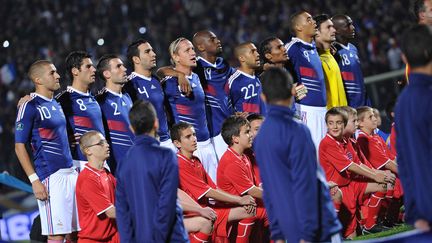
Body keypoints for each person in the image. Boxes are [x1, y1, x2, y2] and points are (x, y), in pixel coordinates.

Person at [254, 67, 342, 242]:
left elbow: (269, 190)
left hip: (291, 230)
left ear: (263, 97)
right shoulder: (297, 130)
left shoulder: (260, 138)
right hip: (316, 228)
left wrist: (278, 232)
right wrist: (308, 233)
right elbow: (306, 182)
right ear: (293, 90)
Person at [15, 60, 79, 242]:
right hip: (51, 177)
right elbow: (19, 146)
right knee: (56, 235)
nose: (58, 76)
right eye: (52, 73)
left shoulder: (56, 104)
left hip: (71, 173)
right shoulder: (29, 105)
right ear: (38, 79)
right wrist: (35, 181)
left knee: (74, 233)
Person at [115, 100, 188, 242]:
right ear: (156, 123)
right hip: (170, 237)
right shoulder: (166, 156)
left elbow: (122, 212)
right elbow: (167, 203)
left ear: (131, 128)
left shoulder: (123, 163)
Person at [171, 121, 257, 242]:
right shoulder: (179, 163)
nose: (194, 139)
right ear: (177, 143)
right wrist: (239, 199)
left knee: (249, 210)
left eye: (194, 135)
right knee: (209, 222)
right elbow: (207, 192)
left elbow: (214, 188)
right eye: (188, 137)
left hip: (206, 207)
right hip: (191, 213)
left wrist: (237, 201)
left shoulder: (195, 160)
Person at [319, 108, 391, 237]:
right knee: (350, 235)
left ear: (343, 123)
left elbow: (359, 164)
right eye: (331, 123)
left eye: (339, 123)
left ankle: (370, 224)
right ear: (327, 124)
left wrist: (378, 175)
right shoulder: (327, 143)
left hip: (351, 185)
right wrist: (375, 175)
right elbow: (350, 166)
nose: (335, 126)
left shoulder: (346, 141)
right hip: (339, 189)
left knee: (383, 184)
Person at [163, 37, 219, 182]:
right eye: (187, 50)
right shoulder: (169, 82)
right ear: (175, 57)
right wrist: (179, 74)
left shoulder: (196, 77)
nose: (192, 53)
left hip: (207, 144)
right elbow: (159, 72)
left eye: (192, 49)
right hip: (189, 148)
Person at [396, 24, 432, 232]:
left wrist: (415, 211)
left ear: (404, 58)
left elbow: (404, 161)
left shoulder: (403, 102)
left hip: (423, 210)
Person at [218, 115, 269, 242]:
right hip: (236, 209)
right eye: (246, 132)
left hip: (248, 205)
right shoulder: (231, 162)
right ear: (235, 138)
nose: (251, 135)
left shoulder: (243, 156)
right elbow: (252, 191)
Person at [285, 11, 328, 149]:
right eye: (309, 20)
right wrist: (290, 89)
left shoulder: (314, 46)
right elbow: (276, 68)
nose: (314, 22)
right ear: (298, 27)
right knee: (314, 155)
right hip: (306, 109)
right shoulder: (292, 47)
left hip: (323, 108)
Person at [124, 39, 176, 151]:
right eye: (147, 52)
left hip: (167, 141)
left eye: (152, 50)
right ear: (136, 59)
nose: (153, 54)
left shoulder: (156, 80)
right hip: (149, 144)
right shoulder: (129, 85)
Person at [56, 51, 105, 163]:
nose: (94, 70)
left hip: (102, 163)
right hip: (79, 164)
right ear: (75, 71)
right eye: (88, 66)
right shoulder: (64, 100)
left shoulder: (94, 99)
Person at [76, 131, 119, 243]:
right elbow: (111, 212)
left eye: (105, 142)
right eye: (101, 143)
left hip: (113, 237)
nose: (107, 145)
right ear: (88, 150)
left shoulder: (106, 173)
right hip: (94, 240)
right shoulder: (87, 178)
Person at [96, 54, 134, 174]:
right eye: (118, 66)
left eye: (122, 65)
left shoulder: (127, 97)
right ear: (107, 74)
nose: (124, 69)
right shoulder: (100, 101)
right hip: (118, 169)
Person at [331, 14, 371, 108]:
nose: (352, 28)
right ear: (336, 30)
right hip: (349, 106)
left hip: (363, 102)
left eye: (352, 24)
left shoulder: (353, 48)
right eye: (347, 26)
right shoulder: (333, 52)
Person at [313, 14, 348, 109]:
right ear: (316, 32)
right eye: (328, 27)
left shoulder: (332, 55)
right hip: (330, 118)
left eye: (333, 27)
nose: (334, 30)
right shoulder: (314, 59)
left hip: (342, 115)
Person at [228, 42, 266, 116]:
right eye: (252, 52)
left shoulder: (257, 77)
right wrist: (234, 114)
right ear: (242, 58)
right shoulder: (234, 81)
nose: (257, 54)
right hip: (246, 126)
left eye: (256, 51)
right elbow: (223, 106)